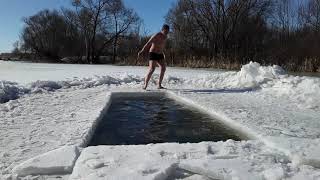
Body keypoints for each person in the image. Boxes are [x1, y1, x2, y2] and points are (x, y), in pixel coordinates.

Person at [138, 24, 169, 90]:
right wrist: (142, 51)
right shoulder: (157, 35)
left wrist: (164, 54)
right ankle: (145, 85)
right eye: (165, 31)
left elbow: (162, 46)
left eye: (167, 32)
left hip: (160, 54)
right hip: (153, 53)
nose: (166, 33)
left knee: (163, 68)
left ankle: (159, 85)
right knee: (152, 69)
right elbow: (148, 43)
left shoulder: (165, 37)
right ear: (162, 30)